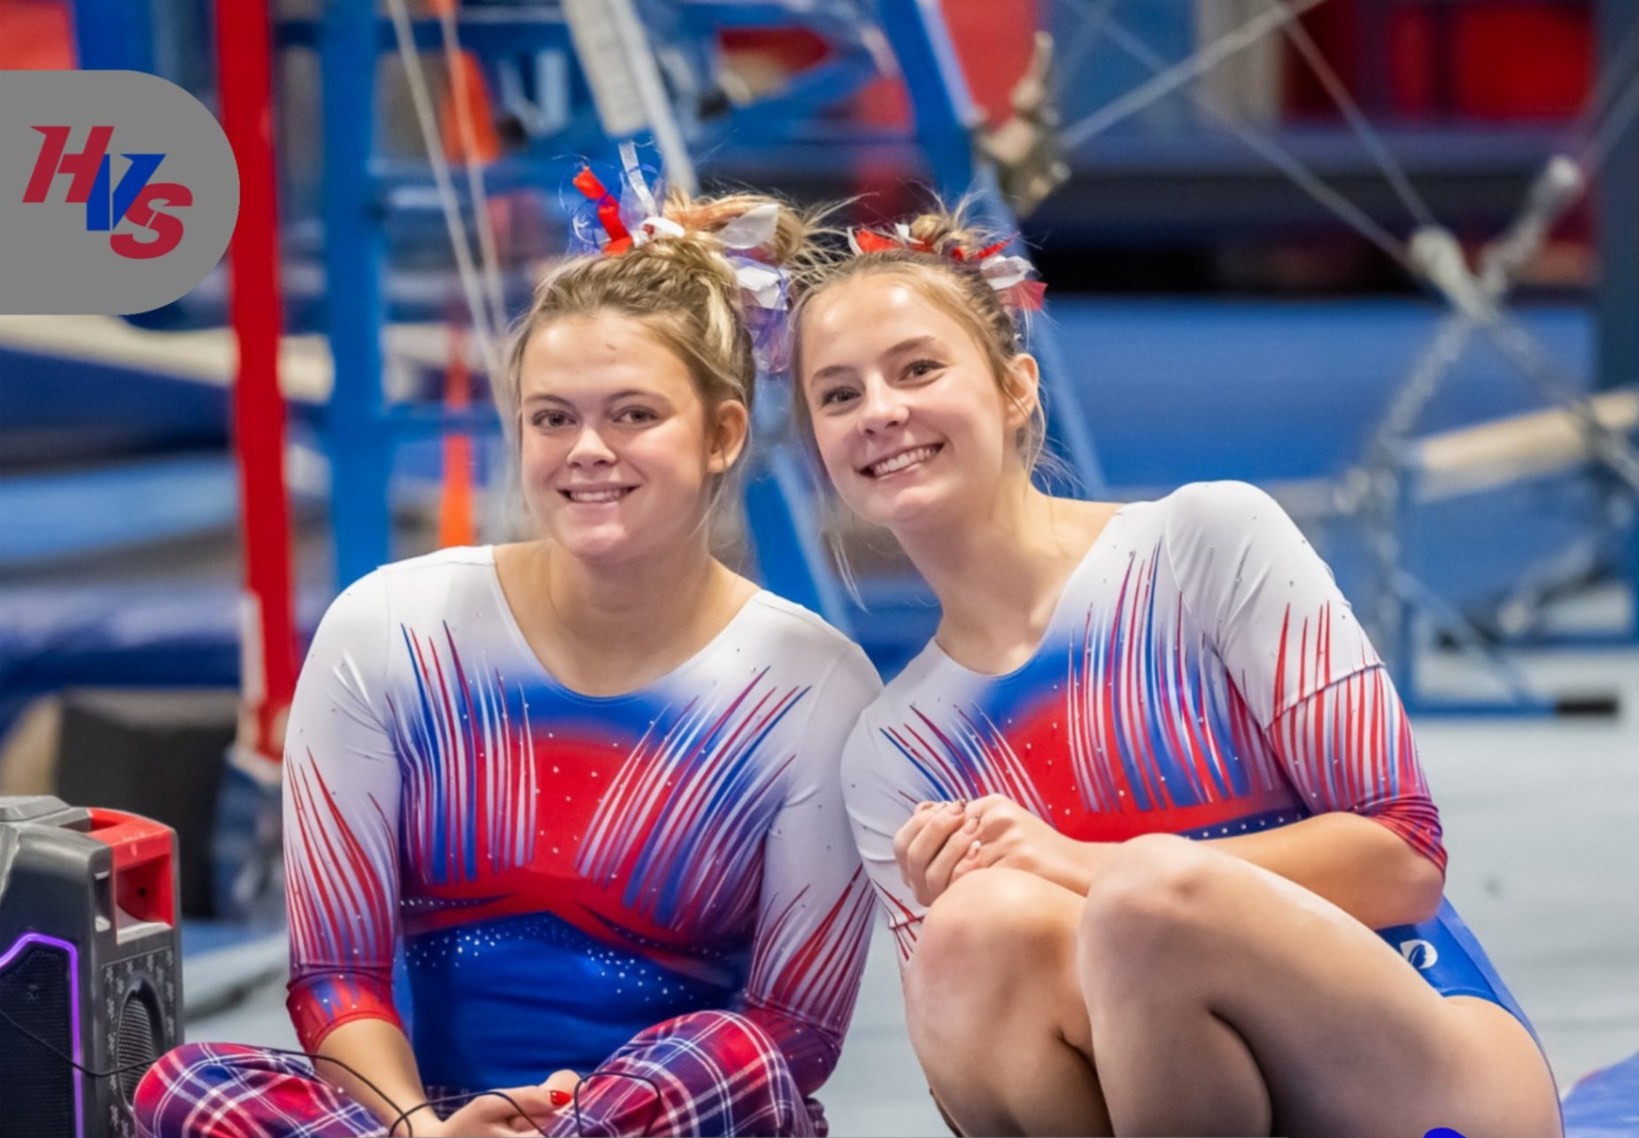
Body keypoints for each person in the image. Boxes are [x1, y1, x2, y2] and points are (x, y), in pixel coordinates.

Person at [135, 169, 881, 1138]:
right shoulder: (393, 631)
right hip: (426, 1120)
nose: (586, 449)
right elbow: (334, 979)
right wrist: (418, 1127)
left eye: (633, 414)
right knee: (183, 1082)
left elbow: (790, 1036)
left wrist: (577, 1123)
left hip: (666, 1115)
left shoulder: (810, 686)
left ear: (722, 433)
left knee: (721, 1052)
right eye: (552, 416)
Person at [788, 207, 1563, 1138]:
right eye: (838, 396)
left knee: (1148, 898)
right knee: (971, 930)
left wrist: (1080, 867)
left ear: (1014, 388)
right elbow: (983, 1075)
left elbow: (1402, 860)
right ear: (820, 451)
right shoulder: (892, 752)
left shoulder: (1204, 540)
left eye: (917, 368)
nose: (880, 411)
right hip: (1179, 1101)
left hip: (1415, 1056)